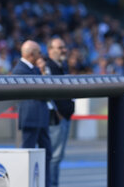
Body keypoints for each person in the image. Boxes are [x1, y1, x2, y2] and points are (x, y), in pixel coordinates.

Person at [11, 40, 52, 187]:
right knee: (26, 154)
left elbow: (48, 92)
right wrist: (42, 73)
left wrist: (43, 72)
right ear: (31, 54)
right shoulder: (20, 70)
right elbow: (41, 91)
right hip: (30, 118)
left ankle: (45, 183)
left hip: (41, 118)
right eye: (39, 52)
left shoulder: (35, 69)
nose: (41, 56)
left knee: (47, 154)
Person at [45, 37, 75, 187]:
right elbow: (47, 92)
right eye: (60, 48)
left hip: (64, 117)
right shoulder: (48, 67)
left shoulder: (62, 66)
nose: (64, 50)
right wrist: (58, 111)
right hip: (57, 118)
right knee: (54, 157)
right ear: (50, 50)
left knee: (57, 157)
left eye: (64, 47)